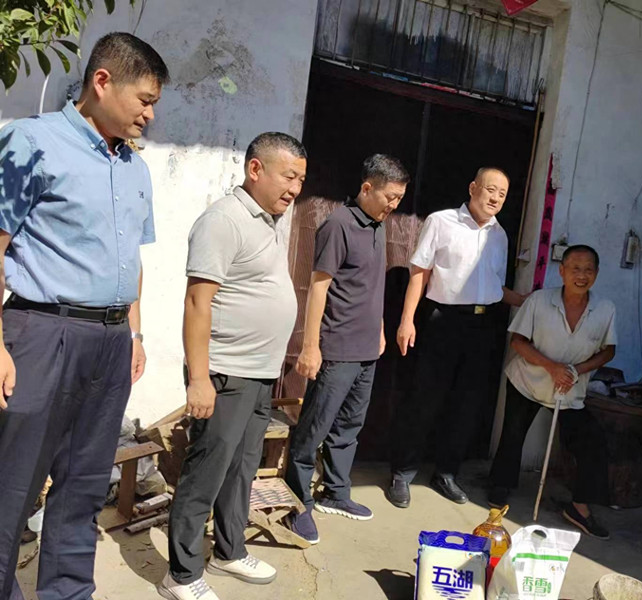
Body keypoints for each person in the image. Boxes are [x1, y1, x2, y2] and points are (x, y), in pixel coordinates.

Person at [0, 33, 168, 600]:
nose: (150, 114)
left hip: (111, 342)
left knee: (84, 484)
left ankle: (68, 591)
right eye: (144, 100)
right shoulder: (31, 142)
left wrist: (135, 332)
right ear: (102, 82)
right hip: (42, 333)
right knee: (13, 483)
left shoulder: (135, 167)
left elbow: (131, 260)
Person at [159, 133, 307, 600]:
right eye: (289, 176)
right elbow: (196, 302)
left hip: (259, 373)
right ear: (255, 169)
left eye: (301, 180)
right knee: (206, 472)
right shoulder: (223, 220)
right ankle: (180, 574)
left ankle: (228, 551)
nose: (295, 189)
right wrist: (200, 379)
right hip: (226, 373)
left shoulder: (267, 221)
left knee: (241, 470)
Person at [285, 154, 409, 544]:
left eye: (400, 199)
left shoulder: (378, 226)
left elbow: (372, 285)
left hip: (367, 348)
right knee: (314, 427)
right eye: (390, 197)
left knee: (349, 427)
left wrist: (381, 329)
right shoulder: (339, 224)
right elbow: (318, 286)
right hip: (336, 347)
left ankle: (335, 492)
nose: (394, 206)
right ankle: (297, 503)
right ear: (367, 188)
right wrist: (310, 346)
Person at [387, 167, 527, 508]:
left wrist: (530, 301)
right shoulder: (441, 221)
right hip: (443, 322)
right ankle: (403, 472)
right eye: (490, 190)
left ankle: (446, 472)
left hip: (483, 327)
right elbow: (419, 273)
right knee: (425, 398)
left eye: (502, 194)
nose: (495, 198)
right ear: (473, 187)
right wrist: (407, 320)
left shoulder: (500, 235)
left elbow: (494, 286)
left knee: (467, 404)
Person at [488, 245, 616, 539]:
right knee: (513, 434)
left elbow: (608, 350)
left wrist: (577, 370)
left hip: (569, 389)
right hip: (528, 380)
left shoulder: (605, 308)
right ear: (562, 271)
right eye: (575, 268)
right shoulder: (539, 300)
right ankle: (500, 486)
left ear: (596, 274)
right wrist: (552, 367)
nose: (581, 275)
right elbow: (518, 342)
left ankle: (579, 507)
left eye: (588, 270)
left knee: (591, 442)